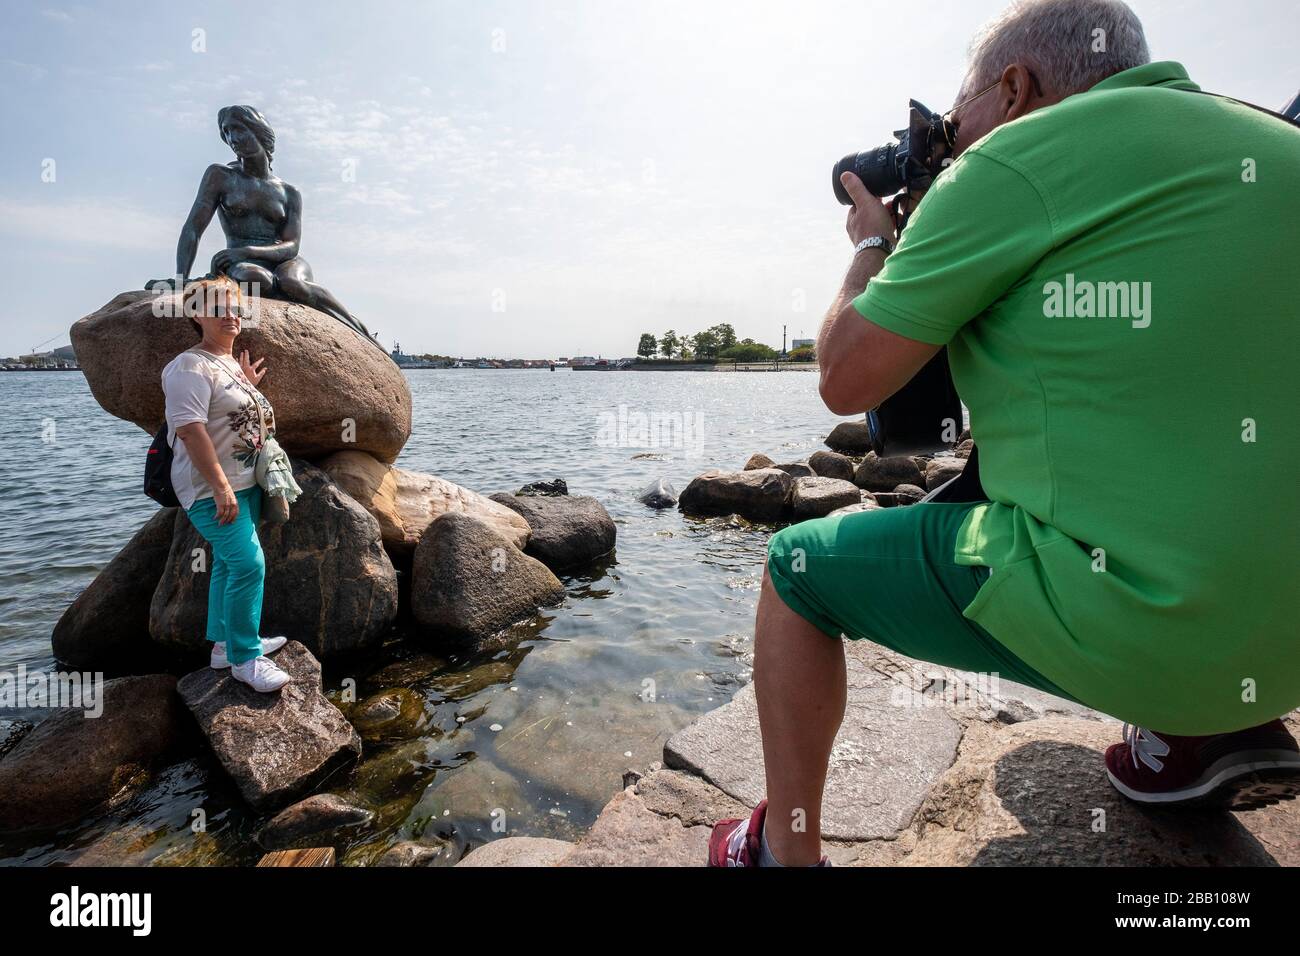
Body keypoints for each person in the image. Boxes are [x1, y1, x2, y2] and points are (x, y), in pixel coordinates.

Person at [709, 0, 1300, 867]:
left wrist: (876, 239)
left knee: (794, 570)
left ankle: (780, 853)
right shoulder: (1272, 146)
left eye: (957, 118)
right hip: (1284, 647)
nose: (952, 142)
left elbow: (846, 377)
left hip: (1146, 631)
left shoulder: (1007, 161)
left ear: (1015, 87)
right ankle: (1206, 734)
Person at [162, 276, 291, 693]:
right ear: (197, 314)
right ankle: (245, 659)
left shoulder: (227, 365)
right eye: (219, 309)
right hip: (211, 488)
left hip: (245, 481)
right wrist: (220, 488)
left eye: (235, 308)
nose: (231, 316)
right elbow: (190, 431)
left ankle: (223, 645)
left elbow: (225, 415)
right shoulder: (189, 366)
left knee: (226, 562)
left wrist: (248, 388)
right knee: (249, 565)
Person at [171, 104, 375, 344]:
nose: (232, 138)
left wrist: (247, 250)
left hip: (284, 259)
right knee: (255, 280)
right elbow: (193, 228)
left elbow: (291, 246)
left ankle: (359, 331)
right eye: (226, 132)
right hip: (242, 263)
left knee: (293, 283)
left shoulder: (289, 192)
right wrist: (181, 278)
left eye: (238, 129)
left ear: (258, 130)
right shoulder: (221, 176)